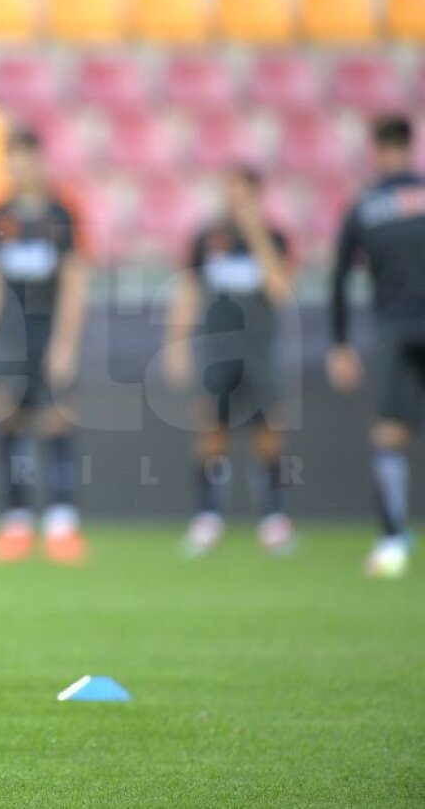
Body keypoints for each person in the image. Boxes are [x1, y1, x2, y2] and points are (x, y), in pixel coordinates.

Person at [0, 128, 89, 566]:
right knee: (8, 421)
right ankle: (15, 524)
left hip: (48, 334)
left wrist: (65, 344)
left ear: (39, 161)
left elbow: (73, 283)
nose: (17, 167)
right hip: (9, 338)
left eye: (24, 158)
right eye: (11, 159)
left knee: (56, 422)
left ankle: (62, 525)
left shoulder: (62, 213)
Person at [164, 167, 297, 556]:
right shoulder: (206, 239)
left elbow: (280, 290)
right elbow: (188, 291)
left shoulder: (275, 238)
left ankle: (274, 520)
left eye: (243, 193)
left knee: (269, 433)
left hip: (259, 349)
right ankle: (208, 518)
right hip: (216, 351)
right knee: (211, 432)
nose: (235, 200)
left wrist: (255, 234)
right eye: (230, 192)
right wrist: (175, 345)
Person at [329, 115, 425, 579]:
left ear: (377, 149)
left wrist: (341, 344)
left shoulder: (366, 206)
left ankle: (391, 542)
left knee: (389, 434)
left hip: (395, 328)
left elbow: (338, 276)